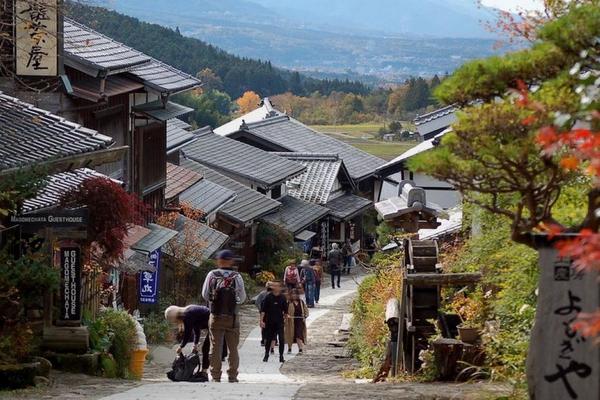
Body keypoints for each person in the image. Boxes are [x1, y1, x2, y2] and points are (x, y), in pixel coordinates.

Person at [201, 249, 246, 383]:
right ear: (231, 261)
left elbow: (204, 294)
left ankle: (215, 375)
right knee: (233, 348)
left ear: (219, 261)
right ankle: (232, 375)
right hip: (232, 317)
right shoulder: (236, 276)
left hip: (215, 316)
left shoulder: (212, 275)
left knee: (215, 346)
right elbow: (242, 297)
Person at [164, 305, 210, 381]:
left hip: (215, 323)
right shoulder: (189, 312)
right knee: (206, 348)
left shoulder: (188, 315)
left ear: (177, 317)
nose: (175, 323)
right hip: (211, 323)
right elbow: (196, 330)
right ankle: (204, 372)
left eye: (174, 321)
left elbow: (187, 334)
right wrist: (195, 344)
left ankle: (205, 373)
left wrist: (181, 346)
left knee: (206, 348)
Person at [260, 282, 288, 363]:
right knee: (269, 339)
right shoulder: (268, 297)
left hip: (279, 322)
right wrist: (261, 321)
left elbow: (285, 311)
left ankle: (281, 356)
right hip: (269, 321)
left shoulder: (282, 297)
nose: (275, 287)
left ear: (280, 287)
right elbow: (263, 310)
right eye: (274, 286)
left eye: (277, 286)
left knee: (281, 339)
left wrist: (286, 319)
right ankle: (266, 354)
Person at [285, 289, 308, 354]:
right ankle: (289, 348)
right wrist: (287, 316)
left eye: (295, 294)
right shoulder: (288, 303)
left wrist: (305, 316)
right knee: (291, 334)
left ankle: (300, 349)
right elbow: (284, 312)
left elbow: (306, 310)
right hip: (291, 321)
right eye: (293, 294)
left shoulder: (301, 302)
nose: (294, 295)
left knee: (299, 334)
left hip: (300, 321)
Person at [255, 282, 273, 347]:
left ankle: (273, 340)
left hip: (272, 313)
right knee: (264, 326)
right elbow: (257, 302)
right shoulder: (262, 294)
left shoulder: (274, 294)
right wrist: (261, 309)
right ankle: (263, 339)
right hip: (264, 313)